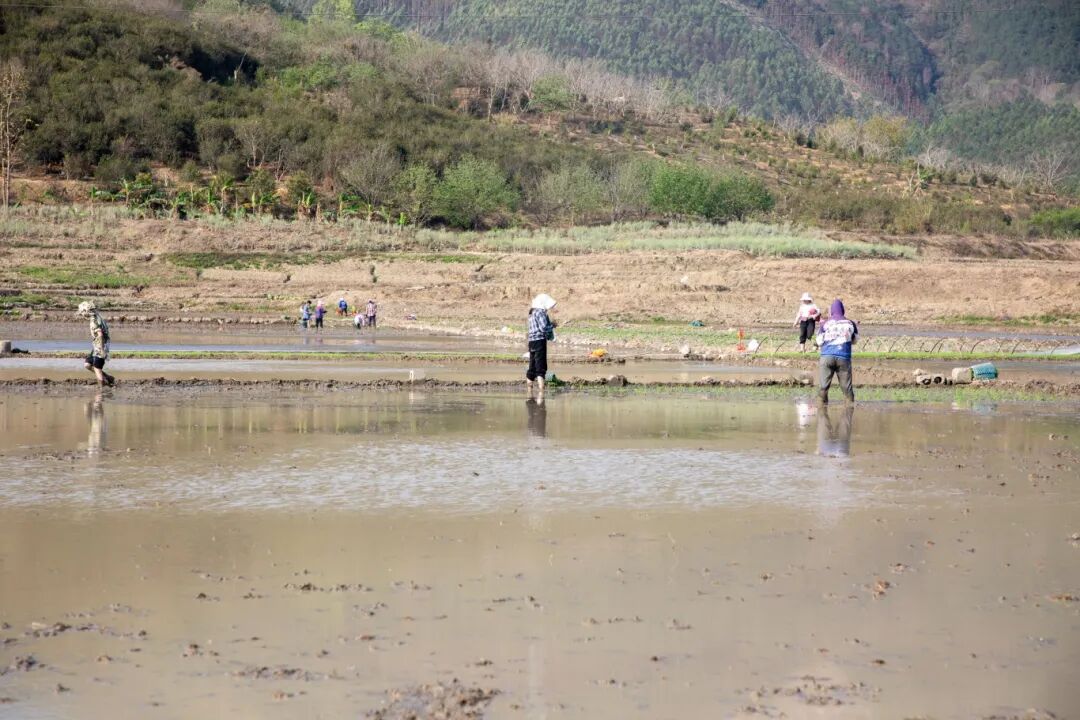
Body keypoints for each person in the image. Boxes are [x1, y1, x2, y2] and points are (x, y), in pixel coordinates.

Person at [815, 298, 858, 404]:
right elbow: (855, 341)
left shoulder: (825, 324)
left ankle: (821, 408)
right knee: (846, 387)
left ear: (831, 311)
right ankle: (849, 407)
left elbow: (819, 341)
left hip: (827, 357)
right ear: (843, 310)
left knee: (823, 386)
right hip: (844, 357)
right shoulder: (850, 323)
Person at [76, 300, 116, 387]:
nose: (81, 314)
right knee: (87, 364)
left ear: (86, 311)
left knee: (97, 368)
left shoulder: (94, 321)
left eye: (82, 312)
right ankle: (108, 377)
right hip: (97, 345)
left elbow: (100, 335)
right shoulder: (96, 316)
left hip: (100, 345)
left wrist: (101, 350)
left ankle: (101, 388)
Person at [526, 293, 557, 402]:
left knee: (532, 365)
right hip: (539, 341)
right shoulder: (540, 312)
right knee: (541, 366)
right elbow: (543, 328)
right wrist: (552, 325)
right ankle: (541, 392)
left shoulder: (532, 312)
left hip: (531, 341)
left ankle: (529, 391)